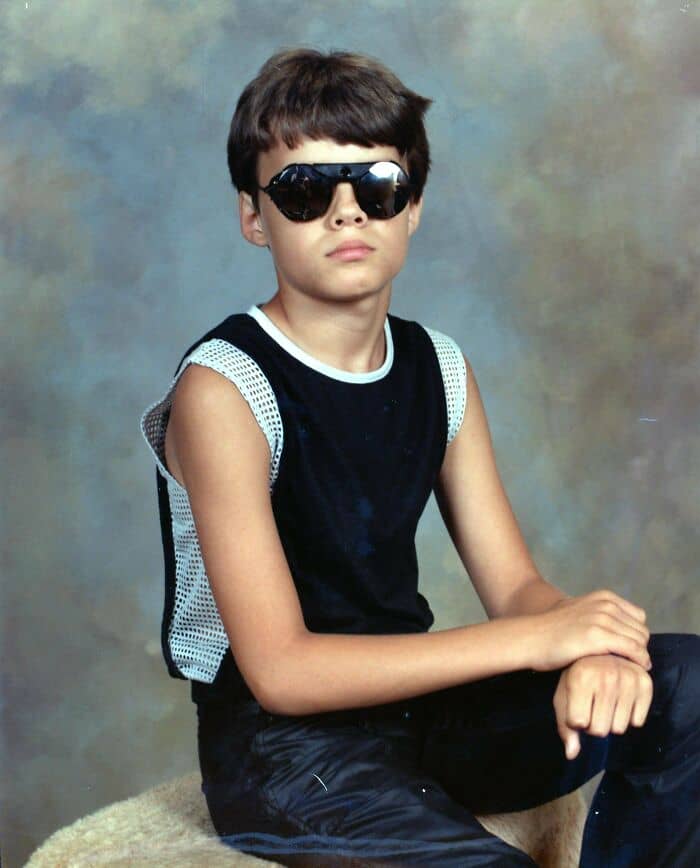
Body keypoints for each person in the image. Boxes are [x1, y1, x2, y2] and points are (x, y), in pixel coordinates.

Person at [139, 47, 699, 867]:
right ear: (254, 217)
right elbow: (282, 671)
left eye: (377, 187)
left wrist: (592, 645)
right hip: (285, 753)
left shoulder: (439, 366)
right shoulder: (224, 388)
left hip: (422, 718)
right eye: (304, 192)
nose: (347, 214)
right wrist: (540, 642)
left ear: (413, 209)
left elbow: (516, 589)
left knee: (683, 681)